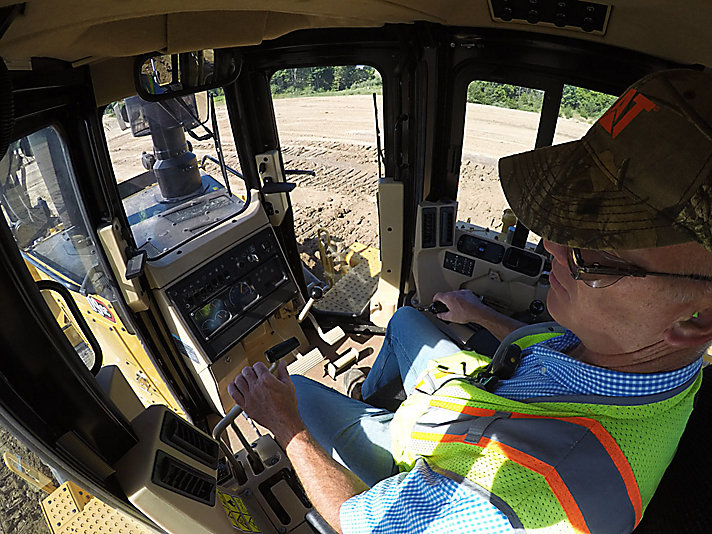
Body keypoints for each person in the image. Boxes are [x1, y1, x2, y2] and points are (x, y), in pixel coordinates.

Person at [227, 69, 712, 533]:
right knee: (403, 324)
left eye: (591, 255)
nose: (550, 248)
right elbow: (547, 352)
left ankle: (367, 433)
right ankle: (369, 409)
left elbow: (363, 526)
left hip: (429, 456)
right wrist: (475, 312)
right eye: (568, 230)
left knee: (294, 391)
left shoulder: (526, 497)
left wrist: (285, 423)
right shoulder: (642, 352)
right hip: (472, 400)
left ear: (697, 320)